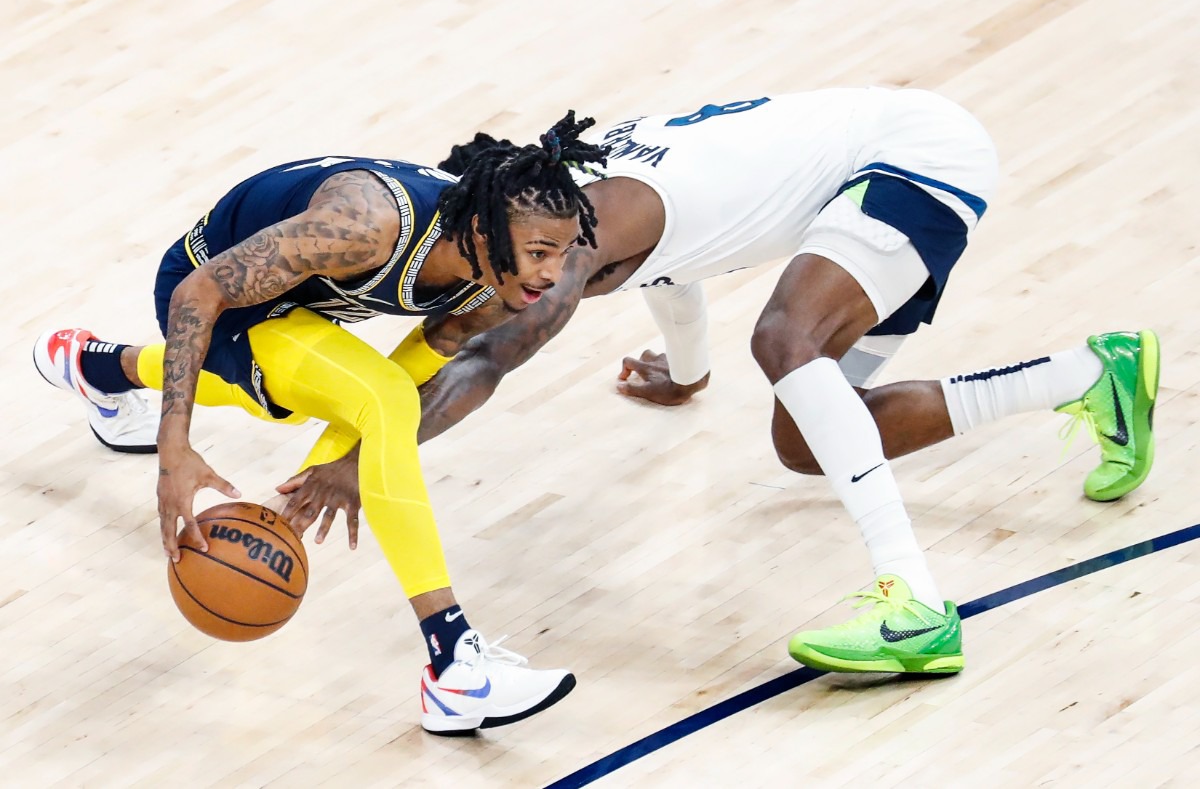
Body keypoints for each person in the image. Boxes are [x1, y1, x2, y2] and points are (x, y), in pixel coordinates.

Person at [279, 88, 1159, 677]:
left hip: (918, 157)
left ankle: (919, 608)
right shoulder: (566, 201)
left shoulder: (570, 240)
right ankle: (1091, 374)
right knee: (807, 440)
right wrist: (687, 372)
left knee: (784, 337)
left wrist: (365, 455)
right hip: (859, 173)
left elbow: (484, 357)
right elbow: (675, 260)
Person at [33, 112, 608, 734]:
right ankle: (454, 665)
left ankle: (99, 368)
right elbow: (196, 296)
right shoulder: (365, 226)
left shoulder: (497, 284)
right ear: (483, 229)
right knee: (321, 389)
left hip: (294, 299)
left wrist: (337, 464)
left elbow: (412, 367)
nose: (552, 273)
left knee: (289, 394)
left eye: (564, 252)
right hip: (210, 283)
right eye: (540, 251)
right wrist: (175, 448)